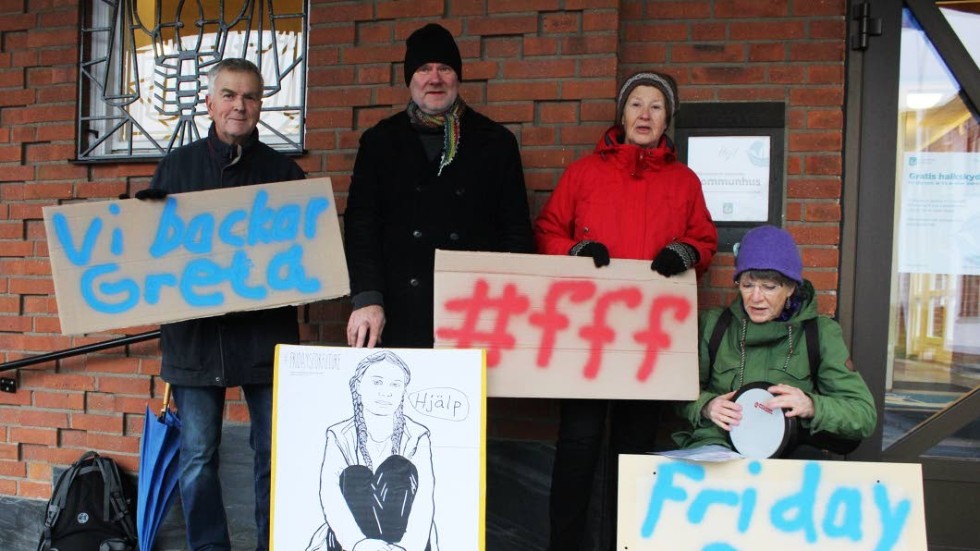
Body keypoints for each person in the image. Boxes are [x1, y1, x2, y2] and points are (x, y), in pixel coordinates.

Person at [535, 71, 717, 551]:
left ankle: (628, 543)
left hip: (648, 340)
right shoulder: (584, 173)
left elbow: (704, 240)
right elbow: (548, 230)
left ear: (666, 120)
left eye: (656, 107)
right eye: (637, 104)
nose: (645, 114)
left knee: (634, 450)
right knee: (578, 445)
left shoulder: (684, 181)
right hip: (588, 336)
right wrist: (573, 250)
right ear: (622, 113)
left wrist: (686, 253)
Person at [147, 58, 305, 551]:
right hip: (196, 340)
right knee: (196, 457)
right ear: (210, 103)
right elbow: (149, 252)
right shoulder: (175, 168)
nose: (241, 106)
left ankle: (271, 545)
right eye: (230, 96)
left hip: (265, 337)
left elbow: (308, 254)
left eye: (251, 97)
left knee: (273, 453)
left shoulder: (285, 174)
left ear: (261, 105)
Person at [343, 23, 535, 349]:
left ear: (457, 76)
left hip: (474, 311)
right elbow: (361, 226)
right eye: (424, 68)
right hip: (396, 309)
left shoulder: (496, 142)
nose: (435, 78)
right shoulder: (380, 142)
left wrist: (508, 304)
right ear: (410, 79)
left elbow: (515, 231)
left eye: (444, 68)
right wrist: (367, 298)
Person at [672, 225, 876, 455]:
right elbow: (676, 394)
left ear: (790, 287)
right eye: (747, 285)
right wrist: (706, 406)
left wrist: (812, 406)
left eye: (769, 287)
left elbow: (863, 414)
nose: (756, 297)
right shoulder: (714, 326)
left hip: (786, 450)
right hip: (718, 447)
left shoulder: (820, 333)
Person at [306, 351, 437, 551]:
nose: (386, 392)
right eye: (377, 382)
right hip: (351, 539)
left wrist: (407, 547)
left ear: (403, 391)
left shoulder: (418, 436)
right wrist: (358, 543)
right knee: (355, 476)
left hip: (405, 538)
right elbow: (330, 493)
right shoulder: (339, 435)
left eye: (395, 384)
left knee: (397, 469)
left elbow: (424, 498)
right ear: (358, 385)